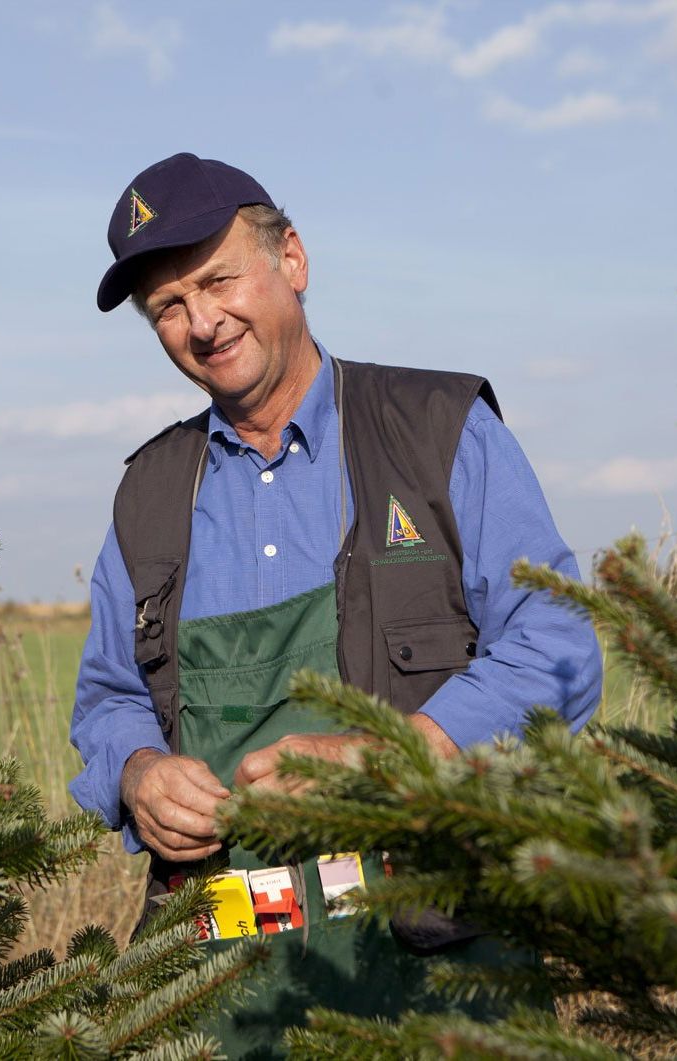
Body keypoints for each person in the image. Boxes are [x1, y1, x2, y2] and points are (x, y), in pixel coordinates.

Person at [69, 152, 601, 1055]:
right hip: (227, 976)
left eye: (217, 280)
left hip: (435, 950)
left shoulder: (440, 430)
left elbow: (555, 647)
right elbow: (109, 696)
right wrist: (135, 773)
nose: (201, 321)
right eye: (167, 306)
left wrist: (393, 752)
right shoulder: (148, 495)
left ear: (293, 261)